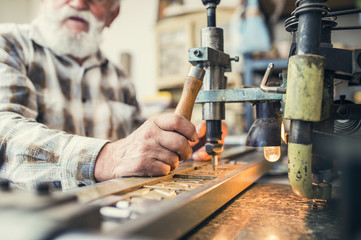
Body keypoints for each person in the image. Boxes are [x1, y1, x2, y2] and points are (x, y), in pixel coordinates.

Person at [0, 0, 223, 191]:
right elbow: (4, 134)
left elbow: (138, 147)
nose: (79, 3)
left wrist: (179, 144)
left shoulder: (119, 78)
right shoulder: (8, 44)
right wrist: (108, 158)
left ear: (112, 14)